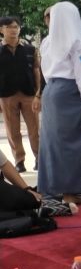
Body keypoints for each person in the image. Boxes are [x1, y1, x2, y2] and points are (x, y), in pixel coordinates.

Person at [37, 1, 81, 204]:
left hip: (52, 92)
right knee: (76, 143)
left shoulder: (47, 42)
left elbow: (45, 72)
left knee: (55, 143)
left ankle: (65, 192)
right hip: (70, 94)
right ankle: (76, 191)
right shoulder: (77, 43)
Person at [0, 16, 40, 172]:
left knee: (34, 129)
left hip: (29, 93)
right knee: (13, 130)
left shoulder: (30, 49)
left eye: (16, 27)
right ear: (1, 30)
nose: (14, 30)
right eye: (9, 27)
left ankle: (39, 158)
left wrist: (38, 93)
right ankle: (19, 161)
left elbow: (36, 70)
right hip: (6, 95)